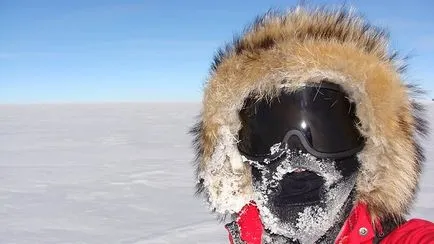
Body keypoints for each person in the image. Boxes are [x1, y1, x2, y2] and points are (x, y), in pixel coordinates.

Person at [190, 6, 434, 244]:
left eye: (327, 131)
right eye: (268, 134)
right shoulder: (244, 235)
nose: (296, 158)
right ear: (233, 154)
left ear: (370, 149)